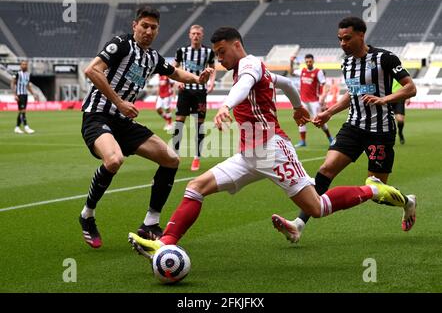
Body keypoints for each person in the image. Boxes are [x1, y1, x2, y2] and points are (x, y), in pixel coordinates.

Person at [127, 27, 415, 256]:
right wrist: (299, 106)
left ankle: (371, 190)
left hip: (273, 150)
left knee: (316, 208)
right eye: (216, 54)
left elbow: (243, 85)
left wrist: (226, 105)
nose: (219, 59)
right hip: (249, 154)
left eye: (221, 52)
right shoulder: (250, 68)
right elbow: (287, 83)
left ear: (236, 45)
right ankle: (165, 243)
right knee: (195, 187)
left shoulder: (249, 64)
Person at [79, 6, 213, 248]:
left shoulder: (152, 57)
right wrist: (119, 102)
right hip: (97, 116)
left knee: (171, 159)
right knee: (114, 160)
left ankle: (150, 223)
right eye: (145, 26)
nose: (149, 31)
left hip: (123, 122)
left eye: (153, 27)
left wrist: (196, 78)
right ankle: (87, 214)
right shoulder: (121, 44)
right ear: (135, 26)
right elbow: (92, 70)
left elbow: (174, 73)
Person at [278, 16, 418, 243]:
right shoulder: (346, 63)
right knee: (326, 169)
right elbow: (351, 94)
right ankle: (298, 225)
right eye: (340, 39)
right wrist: (329, 112)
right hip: (353, 126)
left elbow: (410, 88)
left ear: (361, 35)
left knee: (376, 190)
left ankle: (407, 202)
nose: (342, 43)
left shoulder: (385, 58)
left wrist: (385, 100)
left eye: (347, 38)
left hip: (379, 131)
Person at [173, 24, 216, 171]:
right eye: (193, 33)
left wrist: (211, 82)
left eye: (198, 33)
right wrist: (178, 81)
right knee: (179, 122)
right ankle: (175, 155)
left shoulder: (208, 52)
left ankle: (197, 157)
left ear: (202, 35)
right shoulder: (182, 51)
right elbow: (175, 67)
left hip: (200, 92)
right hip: (185, 91)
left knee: (199, 125)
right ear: (189, 35)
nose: (196, 36)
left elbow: (213, 67)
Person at [290, 54, 333, 147]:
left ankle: (330, 138)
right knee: (301, 120)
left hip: (314, 102)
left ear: (313, 61)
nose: (308, 63)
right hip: (303, 101)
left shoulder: (318, 72)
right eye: (307, 62)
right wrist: (291, 62)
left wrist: (323, 97)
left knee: (320, 121)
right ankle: (303, 141)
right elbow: (291, 72)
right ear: (305, 62)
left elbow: (324, 84)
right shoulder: (302, 70)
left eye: (310, 61)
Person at [11, 60, 39, 134]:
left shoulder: (28, 74)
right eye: (23, 64)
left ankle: (17, 127)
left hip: (25, 94)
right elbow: (13, 83)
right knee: (23, 111)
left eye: (25, 64)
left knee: (21, 111)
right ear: (20, 65)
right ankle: (26, 127)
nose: (24, 66)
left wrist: (33, 94)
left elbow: (27, 86)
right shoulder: (17, 73)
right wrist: (15, 95)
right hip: (19, 94)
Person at [391, 79, 410, 144]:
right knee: (387, 119)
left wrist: (408, 97)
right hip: (387, 97)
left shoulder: (401, 71)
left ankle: (400, 132)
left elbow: (407, 84)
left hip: (399, 97)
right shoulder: (384, 71)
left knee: (400, 119)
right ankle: (389, 138)